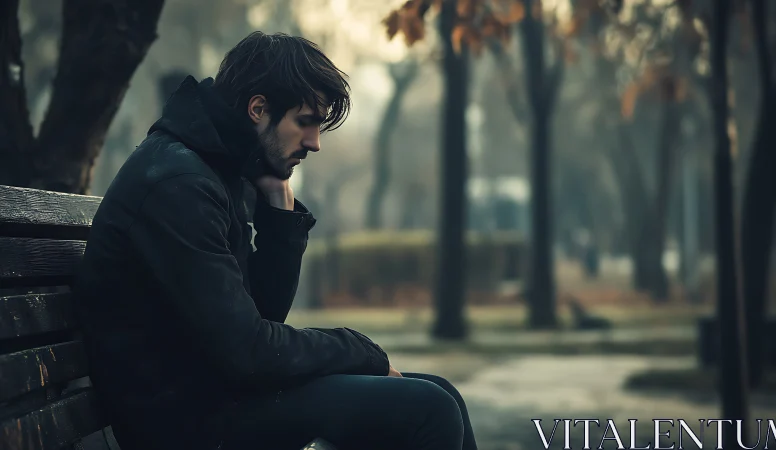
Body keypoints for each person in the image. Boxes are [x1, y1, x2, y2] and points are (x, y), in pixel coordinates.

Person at [73, 32, 477, 450]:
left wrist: (279, 212)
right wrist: (359, 350)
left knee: (442, 393)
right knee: (430, 408)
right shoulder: (180, 185)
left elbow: (259, 319)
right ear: (259, 109)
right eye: (305, 122)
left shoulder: (211, 169)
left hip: (216, 397)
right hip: (183, 423)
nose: (314, 143)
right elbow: (250, 351)